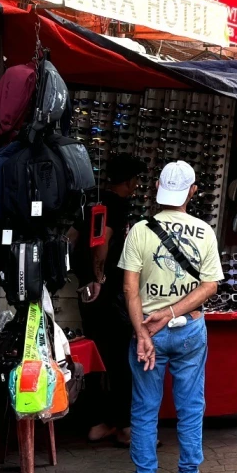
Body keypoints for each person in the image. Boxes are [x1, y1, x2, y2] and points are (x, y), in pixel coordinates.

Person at [120, 161, 223, 473]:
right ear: (192, 192)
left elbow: (129, 288)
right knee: (191, 407)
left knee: (145, 410)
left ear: (157, 189)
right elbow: (210, 285)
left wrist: (142, 332)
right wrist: (175, 312)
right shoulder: (204, 231)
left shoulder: (139, 231)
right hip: (190, 328)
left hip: (148, 330)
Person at [77, 153, 147, 447]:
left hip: (87, 293)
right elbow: (101, 242)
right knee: (121, 358)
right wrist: (99, 278)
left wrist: (86, 279)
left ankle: (99, 423)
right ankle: (124, 426)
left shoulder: (91, 202)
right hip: (106, 293)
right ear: (130, 181)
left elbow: (71, 238)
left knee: (96, 357)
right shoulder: (115, 205)